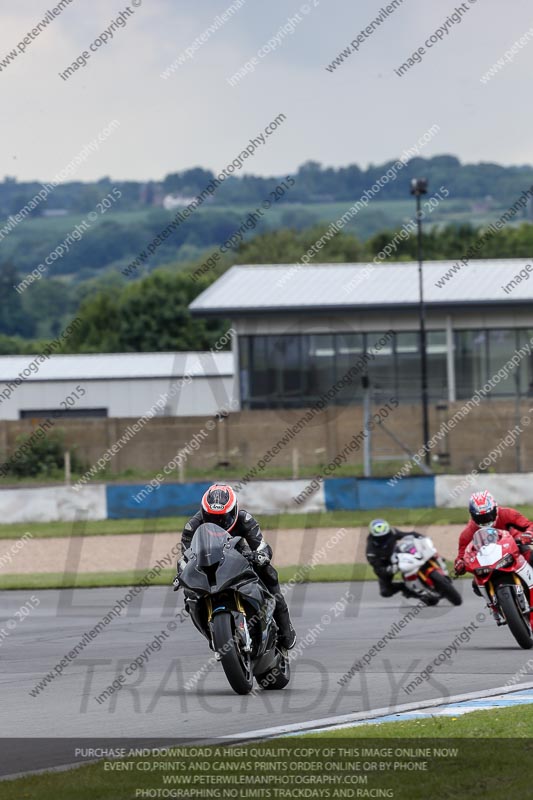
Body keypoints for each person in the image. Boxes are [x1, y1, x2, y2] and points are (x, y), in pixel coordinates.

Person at [176, 483, 296, 649]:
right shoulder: (192, 526)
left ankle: (286, 629)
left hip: (239, 559)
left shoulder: (244, 519)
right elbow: (186, 557)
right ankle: (211, 634)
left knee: (268, 572)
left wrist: (260, 556)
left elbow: (262, 546)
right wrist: (182, 574)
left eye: (222, 518)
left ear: (233, 511)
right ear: (203, 513)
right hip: (208, 565)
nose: (218, 522)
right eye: (211, 518)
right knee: (189, 595)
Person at [454, 491, 533, 575]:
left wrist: (528, 534)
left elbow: (529, 525)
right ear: (472, 516)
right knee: (476, 582)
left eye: (488, 515)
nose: (485, 520)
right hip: (487, 560)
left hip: (515, 547)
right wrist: (459, 564)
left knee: (530, 557)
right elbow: (461, 556)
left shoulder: (507, 514)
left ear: (495, 509)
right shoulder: (467, 533)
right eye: (480, 518)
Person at [366, 519, 439, 605]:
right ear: (373, 536)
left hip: (398, 554)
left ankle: (436, 565)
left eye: (385, 536)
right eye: (380, 538)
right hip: (387, 564)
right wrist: (388, 570)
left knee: (422, 552)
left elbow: (408, 535)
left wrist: (422, 538)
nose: (383, 538)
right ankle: (412, 591)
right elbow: (378, 569)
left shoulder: (391, 532)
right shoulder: (371, 552)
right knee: (385, 592)